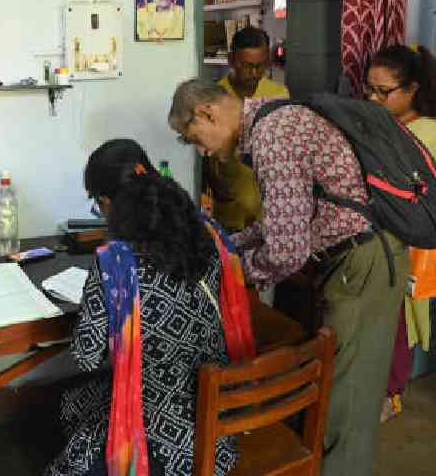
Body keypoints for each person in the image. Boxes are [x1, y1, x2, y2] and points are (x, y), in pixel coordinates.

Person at [168, 79, 409, 476]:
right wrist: (224, 246)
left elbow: (286, 251)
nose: (202, 150)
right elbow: (280, 223)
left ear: (207, 113)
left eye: (194, 138)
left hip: (363, 260)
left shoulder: (272, 138)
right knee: (343, 387)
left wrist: (226, 274)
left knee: (346, 400)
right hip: (356, 258)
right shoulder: (273, 121)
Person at [45, 139, 238, 476]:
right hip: (221, 417)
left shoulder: (116, 265)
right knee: (73, 402)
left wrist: (116, 319)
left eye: (98, 204)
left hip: (158, 439)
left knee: (68, 442)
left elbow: (86, 356)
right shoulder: (209, 234)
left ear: (108, 203)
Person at [365, 45, 436, 422]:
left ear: (413, 89)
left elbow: (388, 183)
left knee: (396, 325)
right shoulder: (390, 124)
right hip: (378, 243)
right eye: (368, 89)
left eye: (383, 92)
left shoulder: (431, 133)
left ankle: (390, 396)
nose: (372, 98)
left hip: (404, 246)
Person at [210, 26, 289, 232]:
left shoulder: (278, 94)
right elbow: (203, 155)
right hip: (229, 210)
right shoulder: (215, 96)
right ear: (231, 61)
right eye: (247, 66)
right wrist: (214, 184)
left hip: (267, 211)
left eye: (260, 66)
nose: (254, 73)